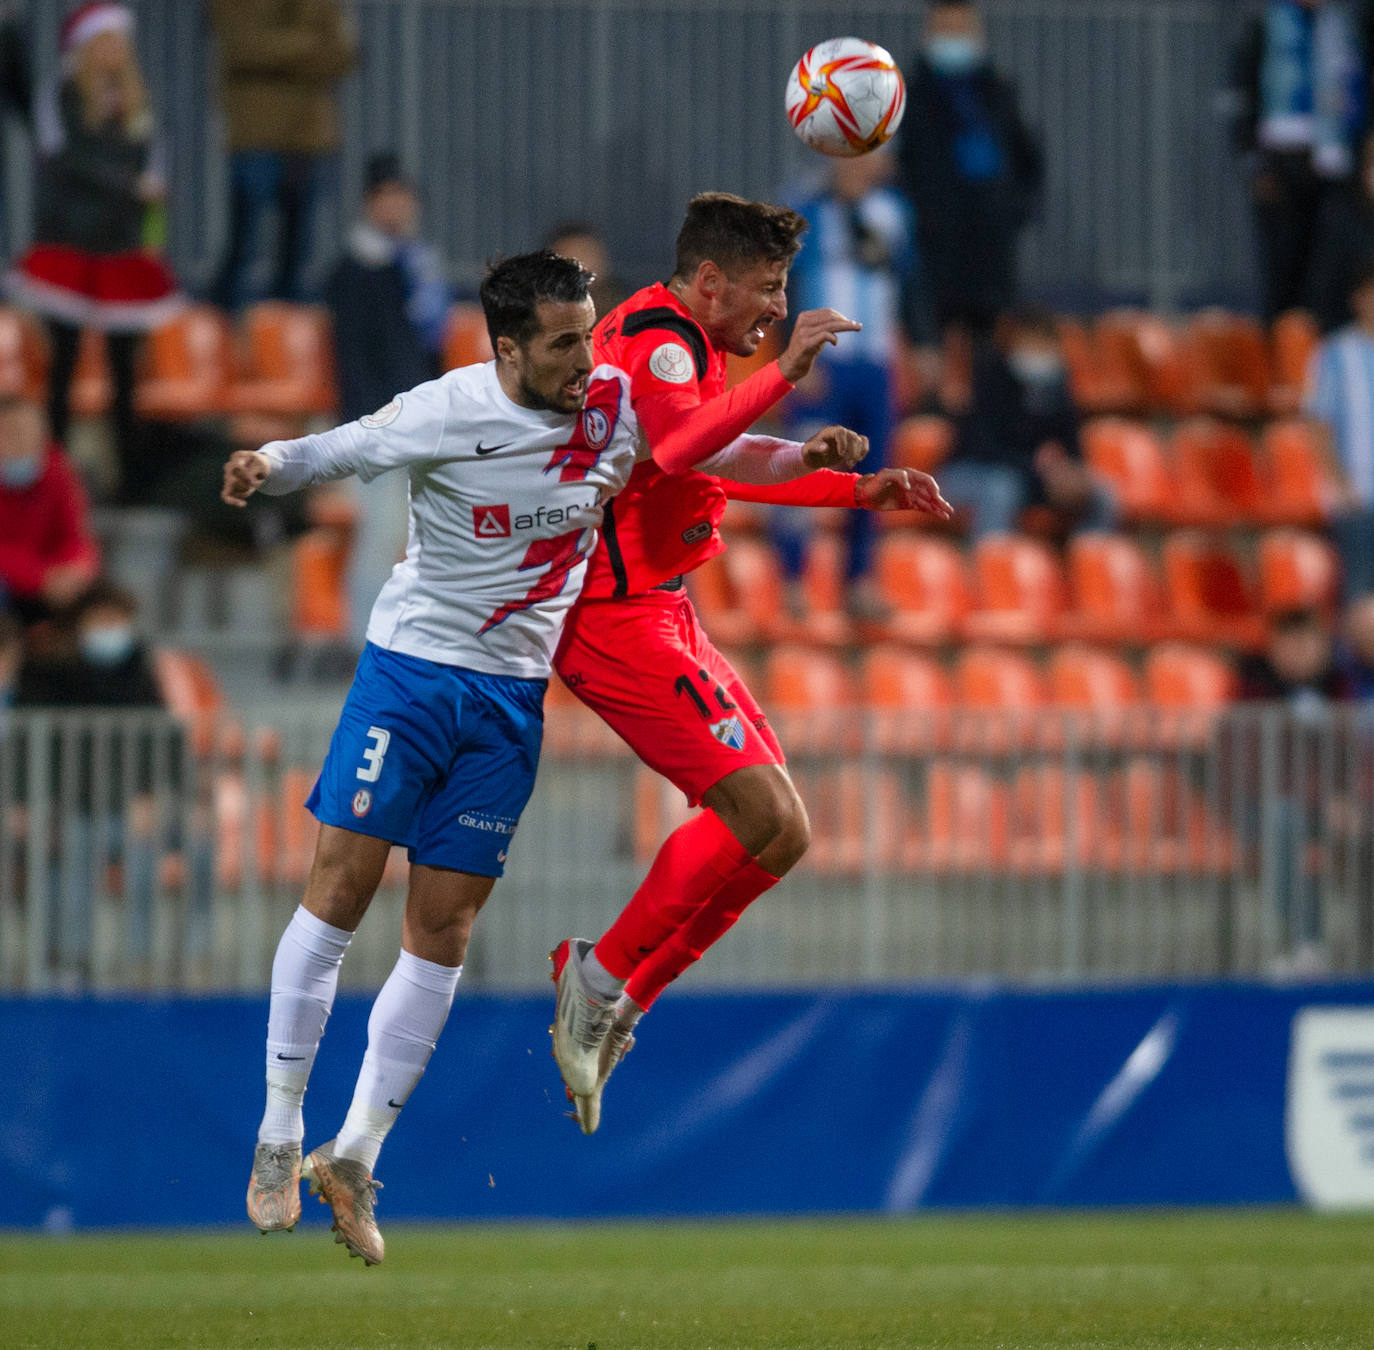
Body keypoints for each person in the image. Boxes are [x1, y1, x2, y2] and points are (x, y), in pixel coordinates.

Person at [221, 251, 647, 1268]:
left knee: (444, 929)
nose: (584, 356)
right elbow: (350, 446)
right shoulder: (450, 409)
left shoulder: (613, 412)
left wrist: (815, 460)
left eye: (587, 331)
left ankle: (356, 1154)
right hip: (411, 677)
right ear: (506, 348)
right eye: (561, 341)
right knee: (341, 887)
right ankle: (281, 1129)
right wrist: (270, 462)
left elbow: (703, 452)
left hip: (508, 705)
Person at [548, 192, 951, 1134]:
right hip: (612, 618)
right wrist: (792, 371)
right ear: (711, 280)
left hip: (660, 607)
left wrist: (855, 486)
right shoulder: (659, 341)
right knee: (761, 813)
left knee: (784, 835)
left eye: (783, 293)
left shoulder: (690, 346)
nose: (777, 310)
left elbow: (720, 458)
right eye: (768, 290)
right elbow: (687, 443)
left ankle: (621, 1003)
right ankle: (595, 978)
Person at [4, 2, 181, 487]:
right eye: (103, 40)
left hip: (120, 249)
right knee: (61, 367)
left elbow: (154, 176)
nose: (113, 50)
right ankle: (52, 472)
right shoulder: (61, 95)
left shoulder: (137, 104)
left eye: (119, 41)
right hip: (70, 246)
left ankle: (133, 480)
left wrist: (150, 233)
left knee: (127, 374)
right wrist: (126, 187)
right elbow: (61, 159)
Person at [773, 149, 937, 621]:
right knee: (800, 466)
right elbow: (785, 286)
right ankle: (791, 579)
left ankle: (860, 583)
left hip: (876, 362)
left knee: (874, 473)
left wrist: (923, 343)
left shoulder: (894, 213)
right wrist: (798, 360)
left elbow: (910, 283)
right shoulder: (803, 211)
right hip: (826, 362)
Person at [15, 580, 169, 983]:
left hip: (128, 809)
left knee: (153, 855)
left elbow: (165, 742)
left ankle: (138, 966)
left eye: (119, 621)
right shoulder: (48, 674)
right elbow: (31, 750)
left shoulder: (140, 672)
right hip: (69, 807)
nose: (112, 630)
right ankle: (69, 964)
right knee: (73, 854)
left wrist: (148, 796)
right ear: (81, 624)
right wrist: (41, 804)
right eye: (103, 620)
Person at [325, 151, 451, 641]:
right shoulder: (352, 272)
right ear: (369, 204)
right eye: (388, 198)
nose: (398, 209)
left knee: (411, 541)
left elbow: (429, 352)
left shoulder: (417, 267)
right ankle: (365, 645)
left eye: (405, 198)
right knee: (379, 541)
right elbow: (353, 362)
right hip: (376, 428)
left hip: (418, 426)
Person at [895, 0, 1042, 340]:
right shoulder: (908, 99)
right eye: (945, 30)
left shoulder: (999, 93)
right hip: (933, 256)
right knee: (932, 351)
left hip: (992, 254)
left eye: (961, 29)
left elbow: (1027, 160)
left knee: (991, 354)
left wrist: (1012, 212)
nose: (954, 39)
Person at [1226, 0, 1374, 322]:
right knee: (1283, 269)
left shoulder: (1345, 24)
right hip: (1283, 161)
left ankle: (1328, 352)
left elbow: (1360, 90)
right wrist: (1257, 165)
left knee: (1332, 267)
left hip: (1335, 160)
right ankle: (1285, 353)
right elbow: (1245, 97)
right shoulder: (1265, 23)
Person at [208, 0, 358, 310]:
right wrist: (309, 45)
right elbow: (243, 48)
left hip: (308, 135)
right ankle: (222, 330)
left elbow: (343, 54)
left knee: (296, 250)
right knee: (244, 245)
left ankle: (281, 337)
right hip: (255, 131)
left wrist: (278, 51)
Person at [1234, 606, 1353, 973]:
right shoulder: (1253, 689)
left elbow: (1357, 755)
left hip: (1338, 805)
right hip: (1267, 804)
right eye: (1290, 643)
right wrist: (1323, 795)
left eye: (1308, 642)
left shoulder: (1340, 687)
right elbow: (1250, 765)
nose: (1299, 652)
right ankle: (1307, 943)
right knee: (1282, 822)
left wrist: (1348, 797)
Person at [937, 306, 1112, 541]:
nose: (1039, 349)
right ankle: (993, 564)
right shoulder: (989, 379)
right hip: (969, 473)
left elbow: (1071, 443)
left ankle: (1089, 564)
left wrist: (1069, 471)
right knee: (1002, 488)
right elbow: (981, 447)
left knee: (1102, 493)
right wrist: (1035, 467)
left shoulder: (1056, 385)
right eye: (1033, 341)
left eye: (1045, 341)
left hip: (1033, 477)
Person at [1304, 261, 1374, 596]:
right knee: (1359, 592)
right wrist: (1342, 487)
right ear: (1358, 298)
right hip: (1358, 497)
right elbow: (1318, 425)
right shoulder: (1334, 353)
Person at [0, 392, 99, 624]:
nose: (23, 443)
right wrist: (40, 577)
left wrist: (75, 569)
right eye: (12, 433)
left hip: (49, 582)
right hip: (17, 582)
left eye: (32, 433)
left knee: (99, 599)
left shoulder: (59, 472)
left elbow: (76, 537)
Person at [544, 221, 627, 318]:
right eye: (569, 259)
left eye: (585, 253)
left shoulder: (630, 312)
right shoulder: (540, 317)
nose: (581, 266)